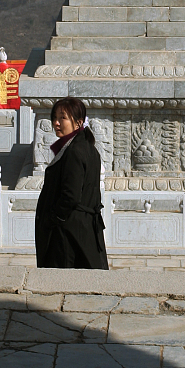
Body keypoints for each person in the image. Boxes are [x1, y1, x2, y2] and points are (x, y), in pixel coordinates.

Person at [35, 97, 108, 269]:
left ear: (78, 123)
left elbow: (71, 195)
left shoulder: (75, 151)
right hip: (81, 227)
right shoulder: (85, 147)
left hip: (69, 233)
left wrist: (53, 219)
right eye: (55, 118)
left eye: (63, 118)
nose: (56, 123)